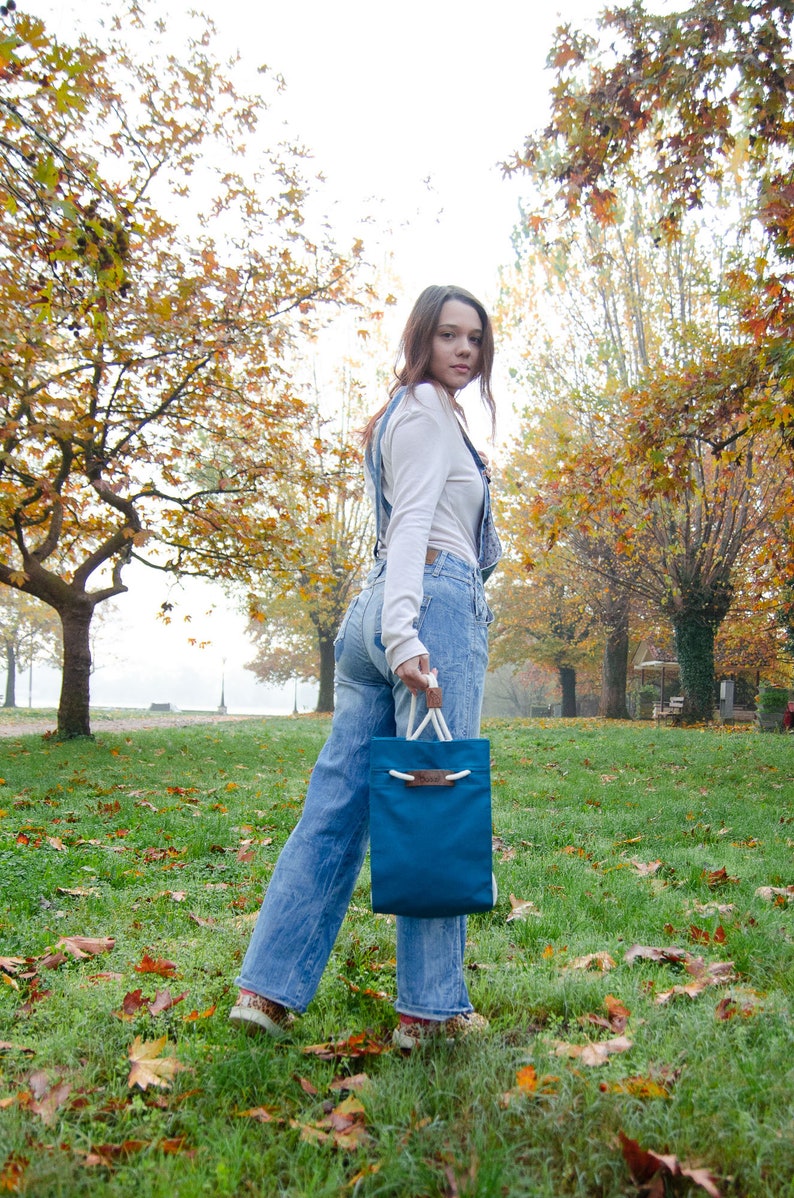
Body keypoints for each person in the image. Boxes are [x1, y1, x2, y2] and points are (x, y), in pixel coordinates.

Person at [229, 284, 500, 1050]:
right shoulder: (422, 412)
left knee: (340, 805)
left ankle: (268, 990)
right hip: (425, 610)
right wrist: (408, 635)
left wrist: (390, 623)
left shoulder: (412, 414)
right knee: (432, 807)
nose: (464, 350)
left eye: (474, 339)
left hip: (376, 616)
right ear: (423, 338)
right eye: (449, 335)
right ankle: (430, 1010)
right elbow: (414, 524)